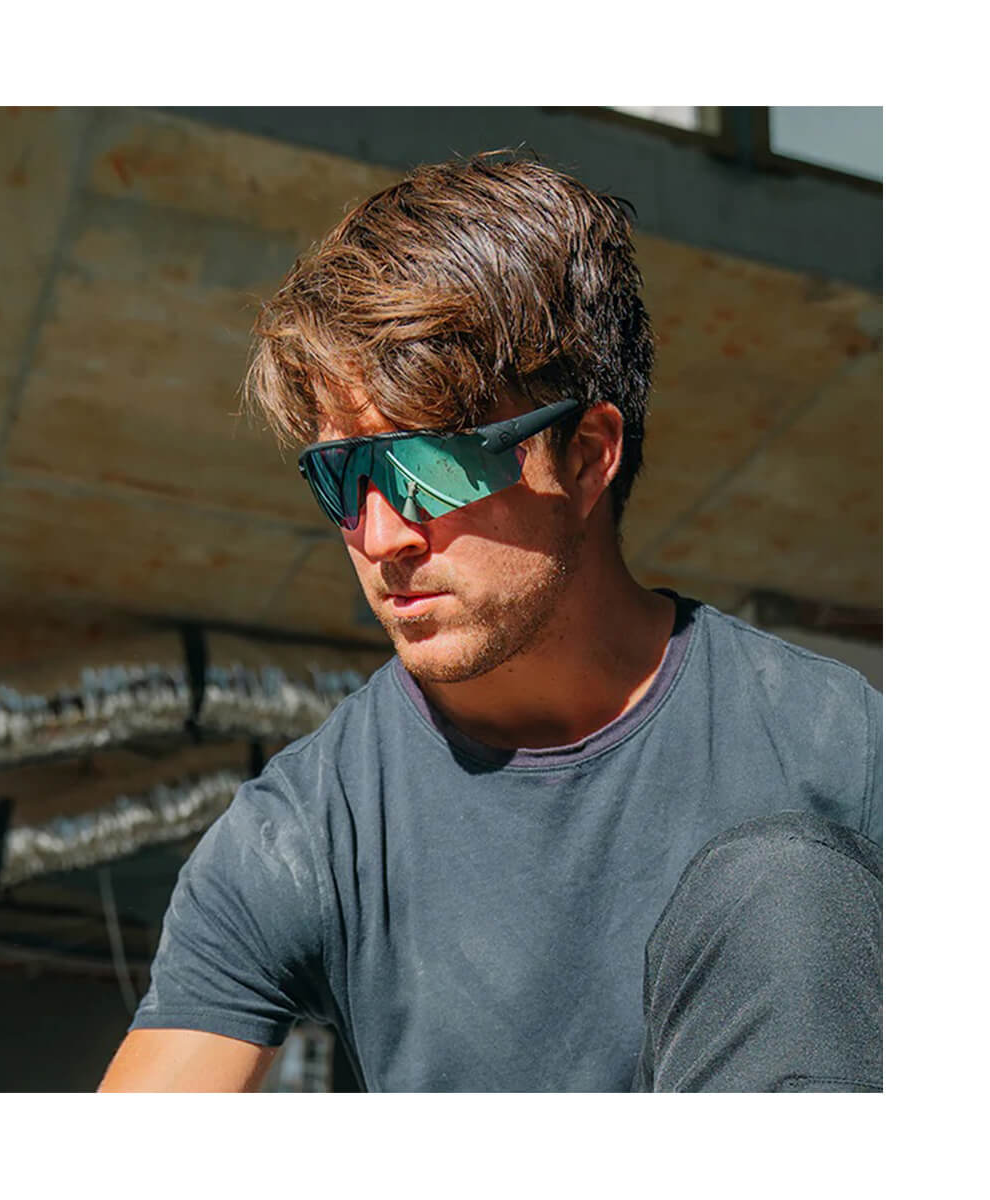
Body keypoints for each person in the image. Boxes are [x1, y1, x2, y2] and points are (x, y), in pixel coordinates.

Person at [98, 153, 882, 1093]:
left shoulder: (842, 749)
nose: (380, 535)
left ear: (586, 456)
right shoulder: (307, 831)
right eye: (342, 475)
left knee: (785, 892)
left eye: (430, 468)